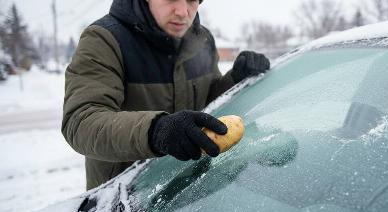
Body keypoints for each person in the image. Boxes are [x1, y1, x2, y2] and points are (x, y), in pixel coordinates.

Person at [62, 0, 270, 190]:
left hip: (190, 188)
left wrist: (234, 79)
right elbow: (81, 122)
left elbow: (208, 104)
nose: (182, 11)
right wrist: (155, 130)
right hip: (124, 202)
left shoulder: (202, 39)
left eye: (191, 0)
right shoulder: (105, 39)